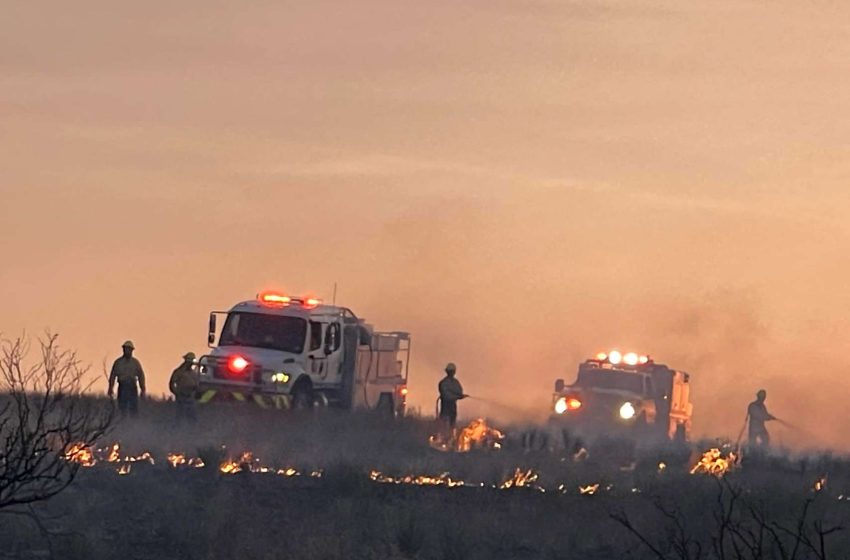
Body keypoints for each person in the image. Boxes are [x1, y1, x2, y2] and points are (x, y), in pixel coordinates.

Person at [108, 341, 146, 418]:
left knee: (133, 409)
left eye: (129, 349)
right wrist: (110, 388)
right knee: (122, 408)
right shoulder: (118, 362)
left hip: (132, 387)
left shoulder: (135, 363)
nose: (127, 351)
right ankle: (123, 424)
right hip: (122, 387)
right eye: (125, 349)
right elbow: (113, 376)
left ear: (132, 350)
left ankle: (133, 425)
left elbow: (141, 376)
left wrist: (143, 389)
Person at [169, 352, 199, 423]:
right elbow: (172, 383)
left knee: (192, 417)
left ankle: (191, 429)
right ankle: (178, 428)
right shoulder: (179, 372)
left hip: (191, 397)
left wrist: (195, 392)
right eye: (189, 361)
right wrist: (176, 393)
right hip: (182, 396)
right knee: (180, 415)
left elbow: (197, 384)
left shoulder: (193, 373)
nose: (191, 363)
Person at [438, 362, 467, 431]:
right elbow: (446, 395)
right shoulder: (443, 383)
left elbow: (459, 392)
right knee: (444, 423)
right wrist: (458, 396)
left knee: (452, 423)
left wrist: (460, 396)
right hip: (445, 405)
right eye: (450, 371)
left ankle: (450, 435)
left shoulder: (455, 382)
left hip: (452, 406)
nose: (451, 373)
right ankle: (443, 435)